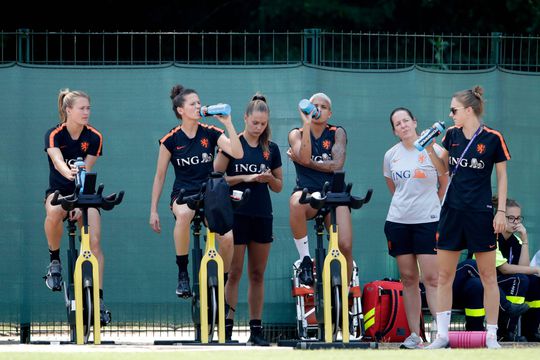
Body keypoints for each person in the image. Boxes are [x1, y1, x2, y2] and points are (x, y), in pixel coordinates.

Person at [426, 85, 511, 349]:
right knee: (444, 276)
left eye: (454, 110)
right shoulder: (450, 135)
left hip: (480, 213)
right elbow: (445, 170)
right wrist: (430, 149)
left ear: (469, 110)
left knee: (488, 275)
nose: (451, 115)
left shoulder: (493, 137)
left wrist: (501, 212)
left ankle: (492, 335)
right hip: (451, 212)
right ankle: (441, 336)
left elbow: (502, 176)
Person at [149, 84, 243, 298]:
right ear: (181, 110)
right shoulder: (170, 140)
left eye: (200, 103)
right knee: (183, 214)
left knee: (227, 238)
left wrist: (228, 123)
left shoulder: (211, 132)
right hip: (183, 193)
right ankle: (183, 273)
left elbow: (237, 153)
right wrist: (153, 210)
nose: (199, 106)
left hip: (210, 192)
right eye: (193, 104)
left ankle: (224, 277)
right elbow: (160, 176)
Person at [214, 93, 283, 346]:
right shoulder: (232, 144)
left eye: (263, 123)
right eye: (255, 122)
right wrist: (245, 178)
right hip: (236, 215)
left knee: (257, 274)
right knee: (234, 273)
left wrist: (267, 179)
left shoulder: (271, 149)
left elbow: (279, 186)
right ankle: (227, 328)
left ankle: (256, 330)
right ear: (245, 118)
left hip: (262, 215)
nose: (259, 127)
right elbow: (217, 178)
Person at [43, 88, 110, 324]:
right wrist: (69, 176)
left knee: (94, 242)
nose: (86, 112)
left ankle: (98, 300)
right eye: (81, 108)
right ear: (67, 110)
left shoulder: (94, 137)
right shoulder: (54, 134)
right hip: (60, 191)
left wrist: (79, 198)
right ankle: (54, 261)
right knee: (53, 209)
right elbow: (58, 162)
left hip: (84, 192)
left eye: (88, 108)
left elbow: (87, 169)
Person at [383, 107, 448, 349]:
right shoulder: (391, 155)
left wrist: (430, 206)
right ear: (394, 130)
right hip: (398, 222)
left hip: (429, 221)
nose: (403, 125)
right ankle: (414, 336)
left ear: (415, 122)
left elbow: (444, 183)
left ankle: (441, 336)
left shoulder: (437, 150)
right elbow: (394, 188)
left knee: (432, 279)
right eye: (397, 124)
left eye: (406, 120)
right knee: (409, 279)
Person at [287, 93, 353, 285]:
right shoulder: (296, 133)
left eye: (323, 107)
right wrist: (307, 124)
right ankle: (305, 260)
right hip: (308, 192)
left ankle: (345, 292)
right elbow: (307, 155)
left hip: (335, 194)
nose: (318, 109)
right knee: (296, 202)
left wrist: (303, 161)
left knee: (345, 245)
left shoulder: (337, 132)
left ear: (330, 113)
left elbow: (337, 164)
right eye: (314, 106)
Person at [493, 197, 540, 341]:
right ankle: (505, 332)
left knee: (534, 282)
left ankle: (530, 331)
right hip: (489, 284)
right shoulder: (491, 237)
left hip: (509, 282)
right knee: (520, 279)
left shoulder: (516, 240)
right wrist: (537, 269)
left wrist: (524, 239)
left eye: (518, 218)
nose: (516, 222)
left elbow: (523, 268)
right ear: (500, 217)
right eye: (511, 218)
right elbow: (505, 269)